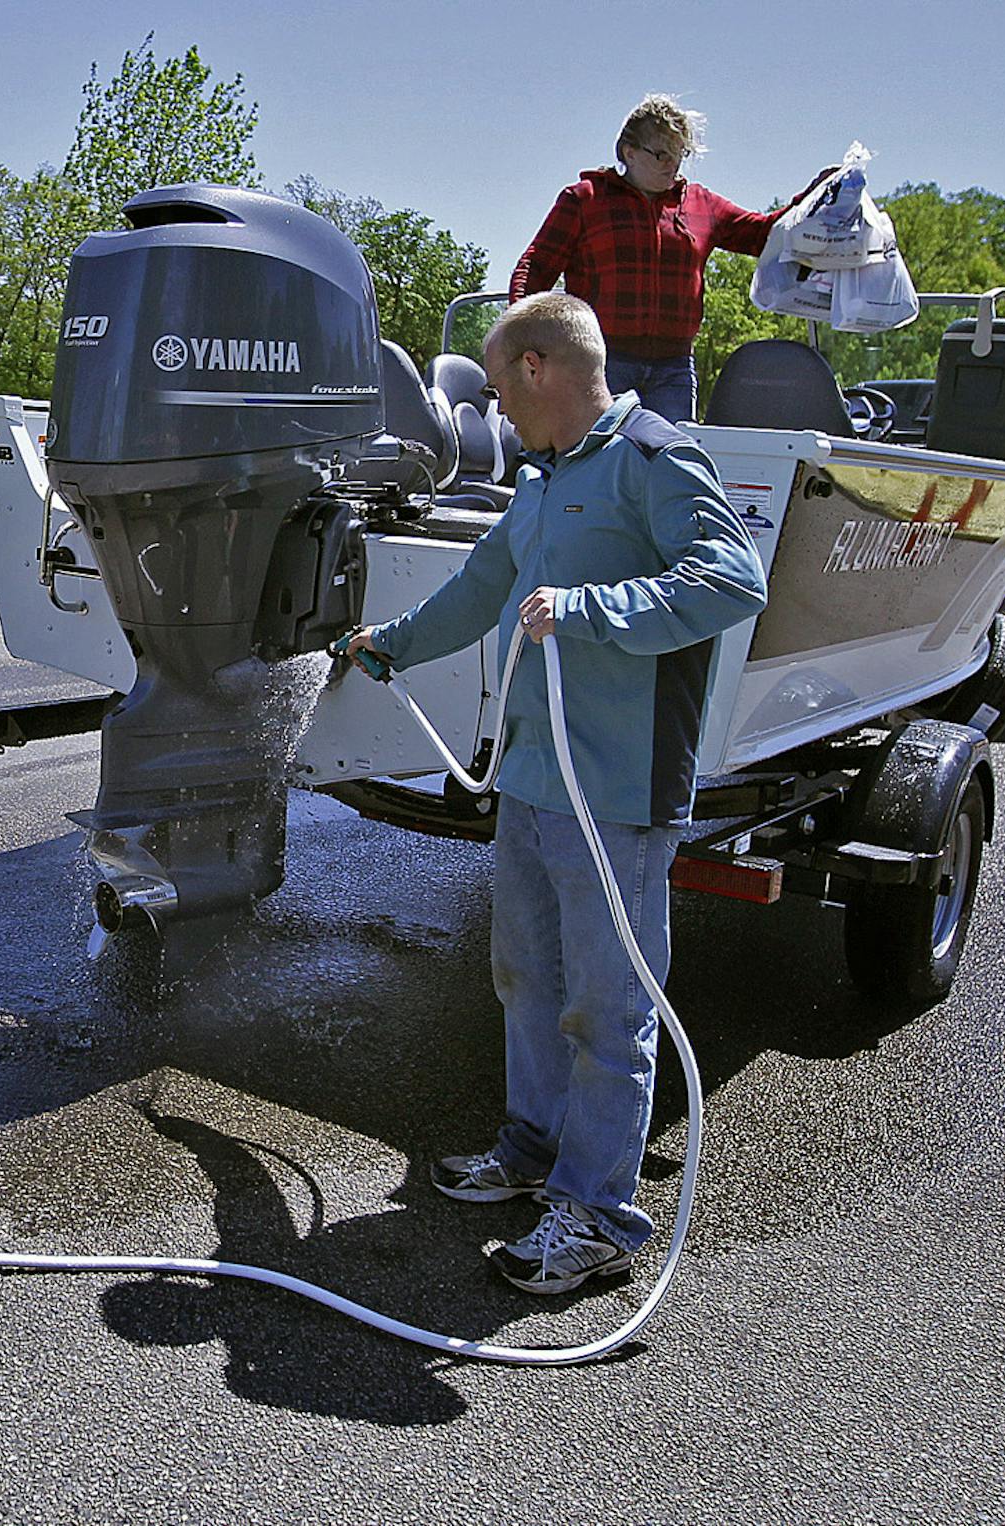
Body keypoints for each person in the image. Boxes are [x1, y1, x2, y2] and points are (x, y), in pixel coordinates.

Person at [342, 293, 767, 1294]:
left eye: (497, 386)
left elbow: (732, 577)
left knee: (608, 1006)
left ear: (538, 368)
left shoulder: (653, 457)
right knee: (525, 979)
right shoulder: (539, 481)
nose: (494, 408)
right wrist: (388, 642)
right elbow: (479, 589)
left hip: (615, 789)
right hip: (532, 779)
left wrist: (594, 607)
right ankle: (532, 1149)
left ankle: (601, 1216)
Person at [510, 93, 833, 422]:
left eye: (680, 154)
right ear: (628, 152)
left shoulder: (700, 203)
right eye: (662, 154)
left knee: (671, 460)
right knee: (601, 462)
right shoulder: (585, 200)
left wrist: (813, 198)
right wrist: (518, 340)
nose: (673, 164)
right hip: (599, 362)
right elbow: (537, 266)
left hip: (674, 368)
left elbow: (763, 234)